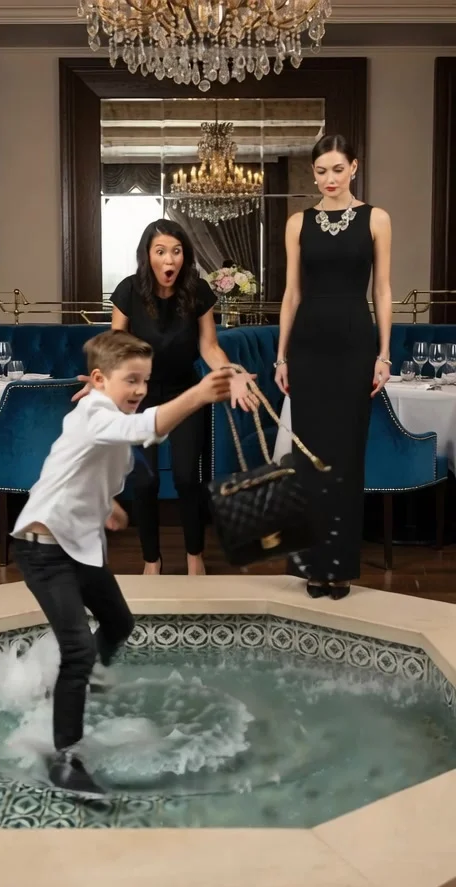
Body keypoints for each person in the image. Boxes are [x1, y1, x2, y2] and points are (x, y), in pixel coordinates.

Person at [10, 329, 234, 797]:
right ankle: (65, 758)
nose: (141, 390)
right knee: (78, 649)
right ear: (98, 379)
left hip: (78, 545)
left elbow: (86, 464)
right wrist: (198, 394)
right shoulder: (94, 412)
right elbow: (144, 428)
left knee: (118, 623)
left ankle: (74, 685)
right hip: (43, 549)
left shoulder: (107, 412)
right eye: (131, 380)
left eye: (145, 380)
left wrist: (109, 505)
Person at [275, 134, 392, 600]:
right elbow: (291, 294)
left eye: (337, 170)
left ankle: (339, 567)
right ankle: (312, 566)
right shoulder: (297, 223)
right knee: (308, 459)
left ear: (354, 168)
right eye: (321, 171)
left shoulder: (377, 219)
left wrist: (383, 354)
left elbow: (382, 290)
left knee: (346, 457)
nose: (329, 179)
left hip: (355, 345)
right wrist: (281, 356)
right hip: (308, 347)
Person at [106, 219, 256, 577]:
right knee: (145, 481)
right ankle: (151, 560)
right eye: (160, 251)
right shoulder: (129, 291)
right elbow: (114, 346)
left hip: (186, 392)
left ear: (184, 256)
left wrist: (233, 373)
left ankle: (194, 555)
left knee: (188, 477)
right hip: (140, 397)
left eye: (176, 251)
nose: (169, 259)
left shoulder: (197, 291)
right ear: (147, 256)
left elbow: (210, 347)